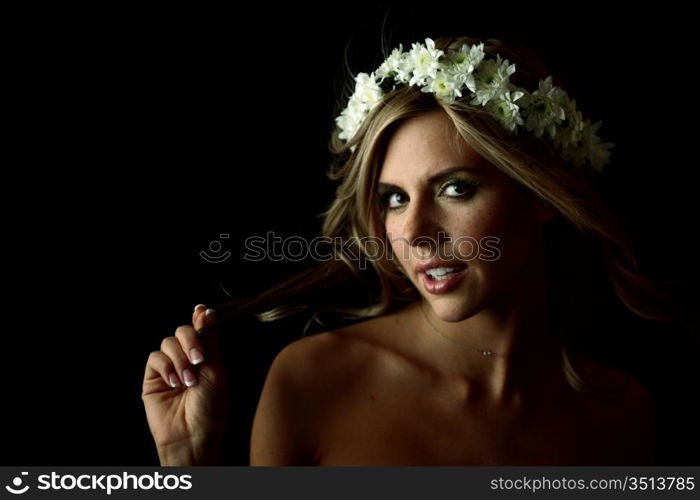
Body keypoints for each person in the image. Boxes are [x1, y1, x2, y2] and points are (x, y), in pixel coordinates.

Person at [142, 36, 686, 465]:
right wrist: (188, 463)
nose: (416, 232)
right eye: (394, 198)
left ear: (538, 194)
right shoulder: (312, 381)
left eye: (455, 188)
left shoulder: (620, 415)